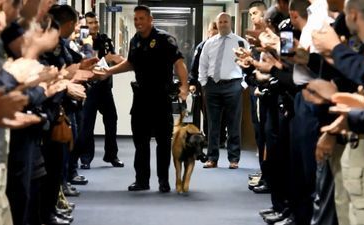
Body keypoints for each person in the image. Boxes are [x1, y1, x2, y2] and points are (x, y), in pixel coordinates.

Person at [94, 5, 188, 193]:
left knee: (162, 142)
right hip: (141, 98)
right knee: (141, 141)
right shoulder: (135, 40)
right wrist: (108, 72)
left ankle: (163, 181)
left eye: (141, 18)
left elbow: (179, 63)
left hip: (161, 97)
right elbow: (130, 63)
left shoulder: (165, 39)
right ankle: (142, 180)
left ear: (150, 19)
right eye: (136, 19)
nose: (138, 22)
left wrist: (184, 86)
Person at [198, 12, 249, 169]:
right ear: (217, 24)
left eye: (225, 21)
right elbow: (203, 64)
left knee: (233, 123)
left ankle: (234, 159)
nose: (223, 24)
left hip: (233, 85)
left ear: (230, 23)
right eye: (220, 22)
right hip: (213, 85)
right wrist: (204, 83)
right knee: (213, 124)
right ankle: (212, 158)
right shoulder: (209, 43)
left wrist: (243, 85)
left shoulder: (241, 42)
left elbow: (248, 64)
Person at [75, 11, 124, 170]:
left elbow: (113, 59)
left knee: (112, 119)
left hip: (104, 87)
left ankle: (111, 155)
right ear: (84, 25)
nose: (94, 25)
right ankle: (86, 158)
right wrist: (106, 60)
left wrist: (116, 61)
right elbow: (87, 64)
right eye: (90, 23)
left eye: (95, 22)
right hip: (89, 88)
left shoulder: (105, 40)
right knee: (87, 124)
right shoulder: (81, 41)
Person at [189, 21, 227, 147]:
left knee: (222, 112)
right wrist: (193, 83)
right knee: (208, 112)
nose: (215, 32)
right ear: (208, 32)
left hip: (223, 84)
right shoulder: (202, 47)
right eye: (213, 30)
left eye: (217, 30)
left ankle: (221, 138)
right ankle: (210, 138)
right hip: (206, 85)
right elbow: (194, 67)